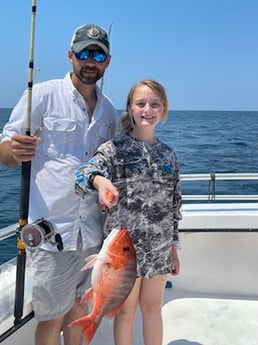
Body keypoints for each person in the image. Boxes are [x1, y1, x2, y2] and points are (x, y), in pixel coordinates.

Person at [0, 24, 116, 345]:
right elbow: (5, 150)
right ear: (70, 56)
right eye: (84, 53)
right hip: (54, 236)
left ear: (107, 61)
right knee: (51, 319)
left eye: (98, 54)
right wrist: (13, 150)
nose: (90, 61)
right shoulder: (41, 95)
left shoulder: (108, 111)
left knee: (79, 309)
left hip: (93, 233)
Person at [75, 79, 182, 345]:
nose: (148, 109)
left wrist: (173, 248)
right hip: (123, 253)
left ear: (164, 110)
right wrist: (100, 182)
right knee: (126, 312)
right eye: (141, 104)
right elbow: (83, 172)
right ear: (130, 109)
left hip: (159, 249)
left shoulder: (169, 155)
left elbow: (174, 206)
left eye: (155, 104)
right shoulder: (115, 149)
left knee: (153, 309)